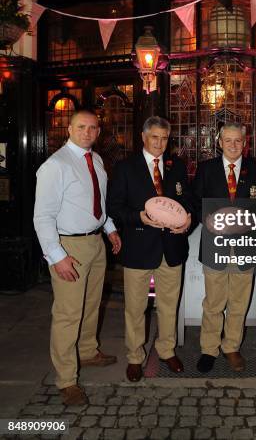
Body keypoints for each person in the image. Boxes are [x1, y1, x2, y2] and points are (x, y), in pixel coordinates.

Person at [33, 109, 121, 406]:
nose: (87, 132)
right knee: (68, 313)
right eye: (81, 127)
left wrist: (109, 229)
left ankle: (87, 350)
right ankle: (67, 379)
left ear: (99, 132)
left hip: (95, 242)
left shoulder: (95, 160)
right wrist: (57, 256)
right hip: (68, 245)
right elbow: (42, 217)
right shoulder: (54, 166)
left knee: (92, 303)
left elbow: (98, 203)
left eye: (93, 128)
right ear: (68, 129)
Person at [107, 116, 193, 382]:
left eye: (164, 138)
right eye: (154, 137)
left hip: (172, 247)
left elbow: (188, 200)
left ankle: (166, 350)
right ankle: (135, 356)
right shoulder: (125, 168)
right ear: (143, 138)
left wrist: (189, 219)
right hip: (139, 246)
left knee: (169, 305)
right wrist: (138, 217)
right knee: (135, 307)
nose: (159, 143)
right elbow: (114, 207)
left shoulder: (177, 166)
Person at [193, 122, 256, 373]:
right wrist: (207, 219)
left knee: (239, 302)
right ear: (219, 142)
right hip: (214, 244)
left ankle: (231, 346)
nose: (234, 145)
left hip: (246, 246)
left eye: (238, 140)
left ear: (244, 143)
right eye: (228, 140)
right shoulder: (206, 169)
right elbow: (196, 202)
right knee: (213, 302)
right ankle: (209, 348)